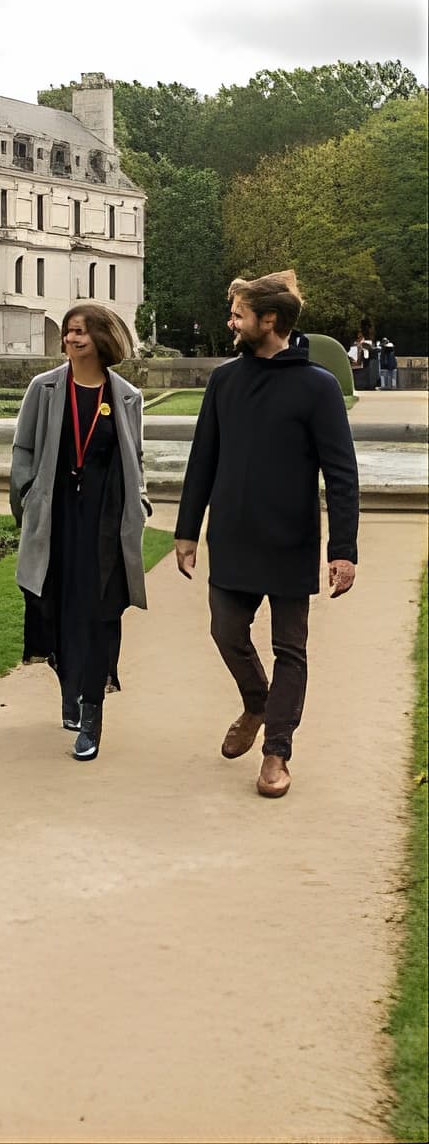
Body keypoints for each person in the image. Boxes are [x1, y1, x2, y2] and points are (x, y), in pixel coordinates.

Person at [174, 271, 359, 799]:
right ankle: (258, 703)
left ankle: (277, 750)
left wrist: (342, 550)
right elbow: (202, 459)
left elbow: (341, 474)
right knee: (226, 633)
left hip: (290, 539)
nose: (230, 322)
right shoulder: (225, 381)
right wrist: (187, 531)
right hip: (231, 535)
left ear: (268, 320)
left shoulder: (317, 387)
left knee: (290, 650)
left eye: (238, 314)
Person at [11, 304, 151, 763]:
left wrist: (142, 500)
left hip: (105, 521)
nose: (72, 340)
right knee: (53, 607)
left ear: (102, 338)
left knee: (102, 614)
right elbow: (24, 449)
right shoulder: (45, 388)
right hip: (57, 518)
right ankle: (68, 682)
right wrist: (27, 499)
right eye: (69, 333)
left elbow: (136, 458)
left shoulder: (127, 395)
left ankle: (92, 712)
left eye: (80, 333)